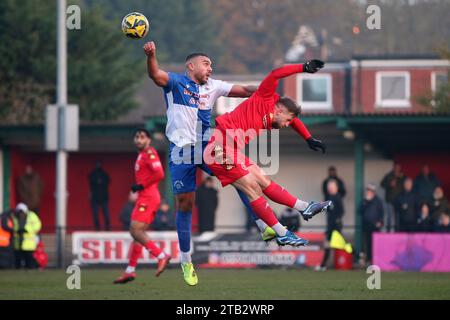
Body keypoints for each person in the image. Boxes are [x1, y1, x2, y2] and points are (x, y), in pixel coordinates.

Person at [144, 41, 277, 286]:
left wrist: (269, 91)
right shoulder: (175, 82)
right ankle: (186, 261)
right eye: (206, 64)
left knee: (240, 177)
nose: (210, 69)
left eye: (211, 65)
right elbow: (155, 74)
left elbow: (246, 90)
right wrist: (152, 55)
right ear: (191, 65)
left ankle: (261, 224)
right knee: (185, 205)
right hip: (180, 152)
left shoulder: (213, 86)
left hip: (206, 147)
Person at [204, 60, 332, 248]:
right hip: (218, 148)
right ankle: (281, 232)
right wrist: (303, 68)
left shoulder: (277, 107)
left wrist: (308, 138)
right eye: (287, 120)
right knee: (252, 188)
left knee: (263, 180)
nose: (288, 124)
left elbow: (294, 120)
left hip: (231, 149)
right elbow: (275, 73)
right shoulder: (266, 96)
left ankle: (305, 208)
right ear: (279, 110)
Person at [114, 129, 171, 284]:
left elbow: (159, 174)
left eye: (142, 137)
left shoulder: (150, 153)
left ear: (149, 140)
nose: (139, 139)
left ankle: (161, 255)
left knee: (135, 230)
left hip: (149, 198)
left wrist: (141, 185)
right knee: (137, 234)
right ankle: (130, 271)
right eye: (137, 137)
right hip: (144, 198)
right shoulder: (141, 155)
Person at [316, 179, 344, 271]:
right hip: (330, 225)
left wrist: (337, 221)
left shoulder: (338, 197)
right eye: (329, 187)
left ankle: (343, 263)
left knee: (338, 245)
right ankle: (323, 265)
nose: (329, 189)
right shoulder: (329, 197)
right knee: (328, 245)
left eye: (331, 187)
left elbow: (341, 211)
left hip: (335, 226)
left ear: (335, 187)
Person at [360, 183, 384, 265]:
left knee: (374, 244)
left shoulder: (378, 201)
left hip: (375, 226)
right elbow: (359, 211)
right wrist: (366, 202)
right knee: (366, 244)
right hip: (366, 226)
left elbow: (381, 213)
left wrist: (380, 222)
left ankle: (375, 261)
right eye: (368, 191)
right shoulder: (364, 200)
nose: (368, 192)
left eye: (370, 191)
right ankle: (368, 260)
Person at [13, 203, 41, 269]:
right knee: (18, 260)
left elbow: (38, 225)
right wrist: (17, 230)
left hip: (29, 244)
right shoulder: (15, 217)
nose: (21, 213)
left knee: (29, 260)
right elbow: (13, 226)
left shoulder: (32, 216)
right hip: (17, 243)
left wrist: (27, 230)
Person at [380, 163, 405, 231]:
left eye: (398, 168)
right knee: (389, 217)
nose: (397, 169)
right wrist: (389, 184)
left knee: (398, 217)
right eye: (396, 168)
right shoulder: (388, 175)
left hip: (399, 201)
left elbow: (406, 186)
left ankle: (397, 232)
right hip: (389, 200)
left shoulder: (402, 176)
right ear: (394, 168)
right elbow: (382, 184)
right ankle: (388, 232)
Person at [88, 162, 111, 231]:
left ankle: (107, 228)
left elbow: (108, 180)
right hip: (95, 197)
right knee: (96, 214)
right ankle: (98, 228)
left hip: (103, 197)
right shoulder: (93, 175)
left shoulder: (104, 175)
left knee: (106, 214)